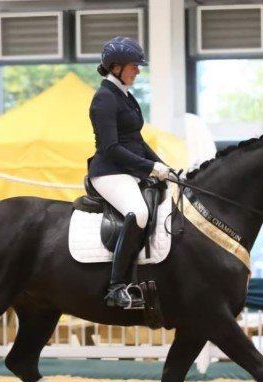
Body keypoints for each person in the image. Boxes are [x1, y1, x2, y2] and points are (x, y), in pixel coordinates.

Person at [88, 36, 170, 309]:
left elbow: (137, 140)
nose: (138, 70)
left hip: (130, 169)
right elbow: (111, 148)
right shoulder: (104, 99)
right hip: (109, 172)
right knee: (140, 212)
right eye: (134, 66)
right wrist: (149, 167)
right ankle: (116, 287)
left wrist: (163, 167)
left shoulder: (125, 96)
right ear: (115, 68)